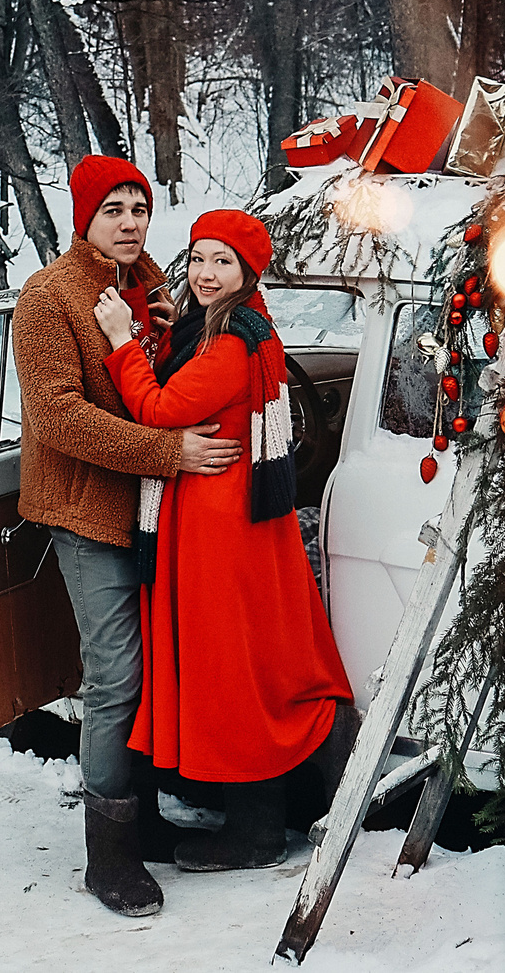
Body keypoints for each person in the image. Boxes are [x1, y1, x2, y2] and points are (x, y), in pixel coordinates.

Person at [92, 208, 357, 872]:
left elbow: (155, 409)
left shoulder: (233, 342)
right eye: (200, 258)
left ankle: (257, 828)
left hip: (219, 534)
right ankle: (308, 796)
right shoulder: (228, 325)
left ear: (247, 272)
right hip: (231, 523)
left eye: (223, 262)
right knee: (257, 663)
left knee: (229, 673)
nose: (207, 273)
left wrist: (123, 340)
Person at [15, 155, 244, 918]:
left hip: (154, 511)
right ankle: (106, 856)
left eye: (138, 207)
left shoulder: (149, 280)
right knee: (115, 677)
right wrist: (170, 452)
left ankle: (140, 816)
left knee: (153, 669)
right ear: (84, 216)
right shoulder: (49, 298)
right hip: (87, 509)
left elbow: (170, 380)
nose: (128, 221)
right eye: (112, 209)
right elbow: (60, 417)